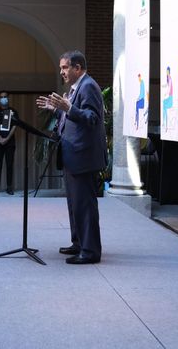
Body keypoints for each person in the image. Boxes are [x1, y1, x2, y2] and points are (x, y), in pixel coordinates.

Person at [37, 50, 106, 265]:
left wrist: (68, 107)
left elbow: (92, 118)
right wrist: (57, 110)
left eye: (65, 67)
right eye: (61, 68)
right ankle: (78, 243)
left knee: (85, 206)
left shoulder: (88, 86)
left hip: (83, 158)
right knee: (75, 205)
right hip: (73, 156)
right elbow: (73, 117)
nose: (62, 72)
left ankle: (90, 251)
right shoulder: (77, 87)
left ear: (77, 67)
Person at [162, 66, 173, 131]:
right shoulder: (168, 78)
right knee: (163, 105)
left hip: (170, 98)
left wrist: (166, 94)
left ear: (169, 71)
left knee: (164, 107)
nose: (167, 72)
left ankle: (165, 124)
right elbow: (167, 85)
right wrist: (162, 86)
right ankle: (164, 122)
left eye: (168, 71)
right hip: (169, 97)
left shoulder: (170, 78)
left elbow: (169, 88)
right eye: (166, 71)